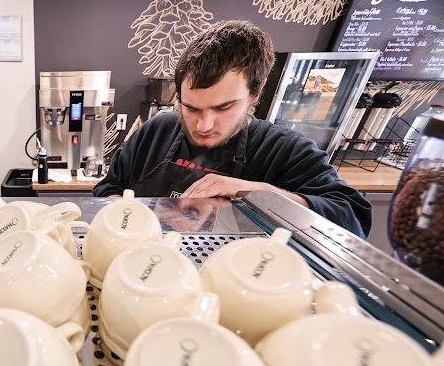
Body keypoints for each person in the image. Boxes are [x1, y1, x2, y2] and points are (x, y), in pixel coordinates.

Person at [93, 20, 372, 238]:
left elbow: (353, 220)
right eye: (190, 108)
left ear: (256, 92)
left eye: (223, 108)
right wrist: (127, 218)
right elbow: (109, 187)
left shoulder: (284, 150)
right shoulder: (157, 131)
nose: (203, 125)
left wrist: (255, 192)